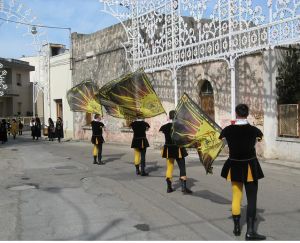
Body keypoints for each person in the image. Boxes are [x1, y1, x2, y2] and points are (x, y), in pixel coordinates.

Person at [219, 104, 266, 240]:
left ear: (236, 113)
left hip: (234, 165)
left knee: (236, 196)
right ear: (247, 113)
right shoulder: (255, 130)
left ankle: (237, 228)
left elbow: (221, 141)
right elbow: (259, 139)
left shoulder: (227, 130)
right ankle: (250, 232)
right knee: (251, 199)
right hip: (250, 166)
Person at [159, 110, 192, 194]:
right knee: (182, 167)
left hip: (169, 149)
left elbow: (163, 131)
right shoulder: (180, 126)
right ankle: (184, 187)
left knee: (170, 167)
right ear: (177, 116)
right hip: (178, 148)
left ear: (169, 117)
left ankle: (169, 187)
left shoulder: (164, 126)